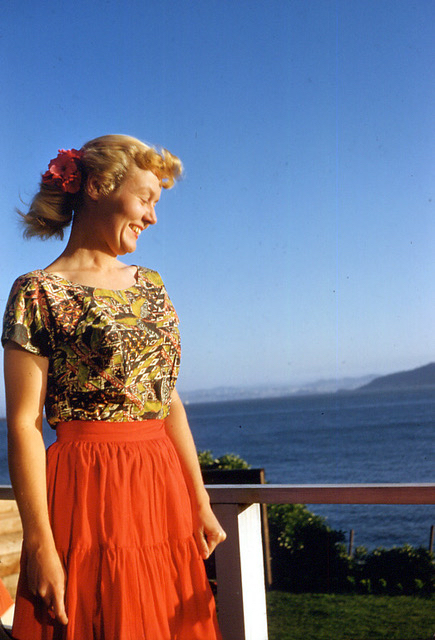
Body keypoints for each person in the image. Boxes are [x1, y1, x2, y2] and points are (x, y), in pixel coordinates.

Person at [2, 135, 226, 640]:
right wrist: (39, 544)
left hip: (159, 486)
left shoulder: (152, 284)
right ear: (100, 187)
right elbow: (22, 423)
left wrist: (199, 500)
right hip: (87, 489)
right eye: (145, 198)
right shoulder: (38, 291)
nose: (152, 216)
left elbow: (167, 401)